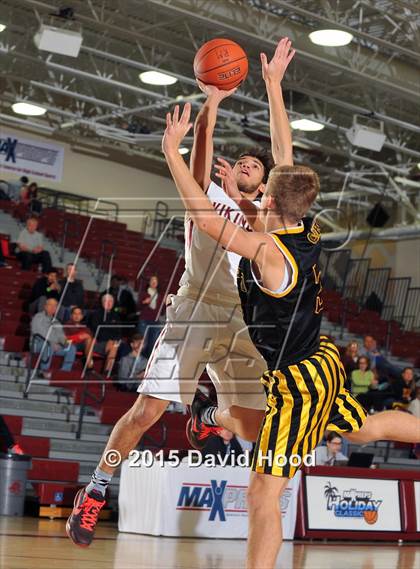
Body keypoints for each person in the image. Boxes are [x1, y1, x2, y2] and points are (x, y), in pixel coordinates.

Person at [157, 99, 420, 568]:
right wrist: (274, 88)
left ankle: (212, 417)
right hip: (320, 363)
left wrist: (172, 153)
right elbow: (285, 156)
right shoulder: (307, 228)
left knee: (263, 490)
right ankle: (211, 416)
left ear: (271, 201)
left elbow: (204, 219)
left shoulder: (267, 251)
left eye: (263, 196)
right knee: (360, 428)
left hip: (297, 382)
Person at [66, 38, 295, 548]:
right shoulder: (209, 197)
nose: (243, 167)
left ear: (263, 187)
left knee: (259, 428)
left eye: (253, 168)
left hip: (241, 320)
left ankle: (208, 415)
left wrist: (274, 89)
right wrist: (212, 105)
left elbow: (285, 157)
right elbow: (201, 159)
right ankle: (97, 488)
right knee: (147, 411)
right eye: (239, 163)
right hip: (195, 307)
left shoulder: (270, 221)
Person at [31, 298, 76, 377]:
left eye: (55, 306)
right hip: (37, 344)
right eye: (50, 305)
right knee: (48, 346)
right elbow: (38, 332)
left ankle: (64, 373)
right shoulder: (38, 317)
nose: (53, 307)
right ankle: (43, 371)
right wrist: (52, 342)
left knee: (71, 348)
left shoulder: (56, 321)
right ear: (45, 306)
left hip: (54, 345)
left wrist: (65, 343)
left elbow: (61, 336)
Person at [88, 294, 122, 375]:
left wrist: (113, 340)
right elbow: (97, 331)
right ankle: (107, 373)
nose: (109, 303)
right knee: (114, 345)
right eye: (107, 301)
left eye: (111, 301)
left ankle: (108, 372)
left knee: (116, 345)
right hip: (98, 342)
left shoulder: (116, 316)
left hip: (112, 343)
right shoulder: (96, 314)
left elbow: (119, 332)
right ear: (102, 302)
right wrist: (110, 338)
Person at [138, 274, 162, 357]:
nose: (154, 282)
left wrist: (166, 305)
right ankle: (139, 362)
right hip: (144, 320)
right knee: (143, 344)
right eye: (152, 280)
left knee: (152, 344)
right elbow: (138, 307)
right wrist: (144, 303)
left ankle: (147, 363)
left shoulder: (160, 296)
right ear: (149, 282)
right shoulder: (144, 293)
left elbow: (161, 312)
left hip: (155, 321)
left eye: (155, 281)